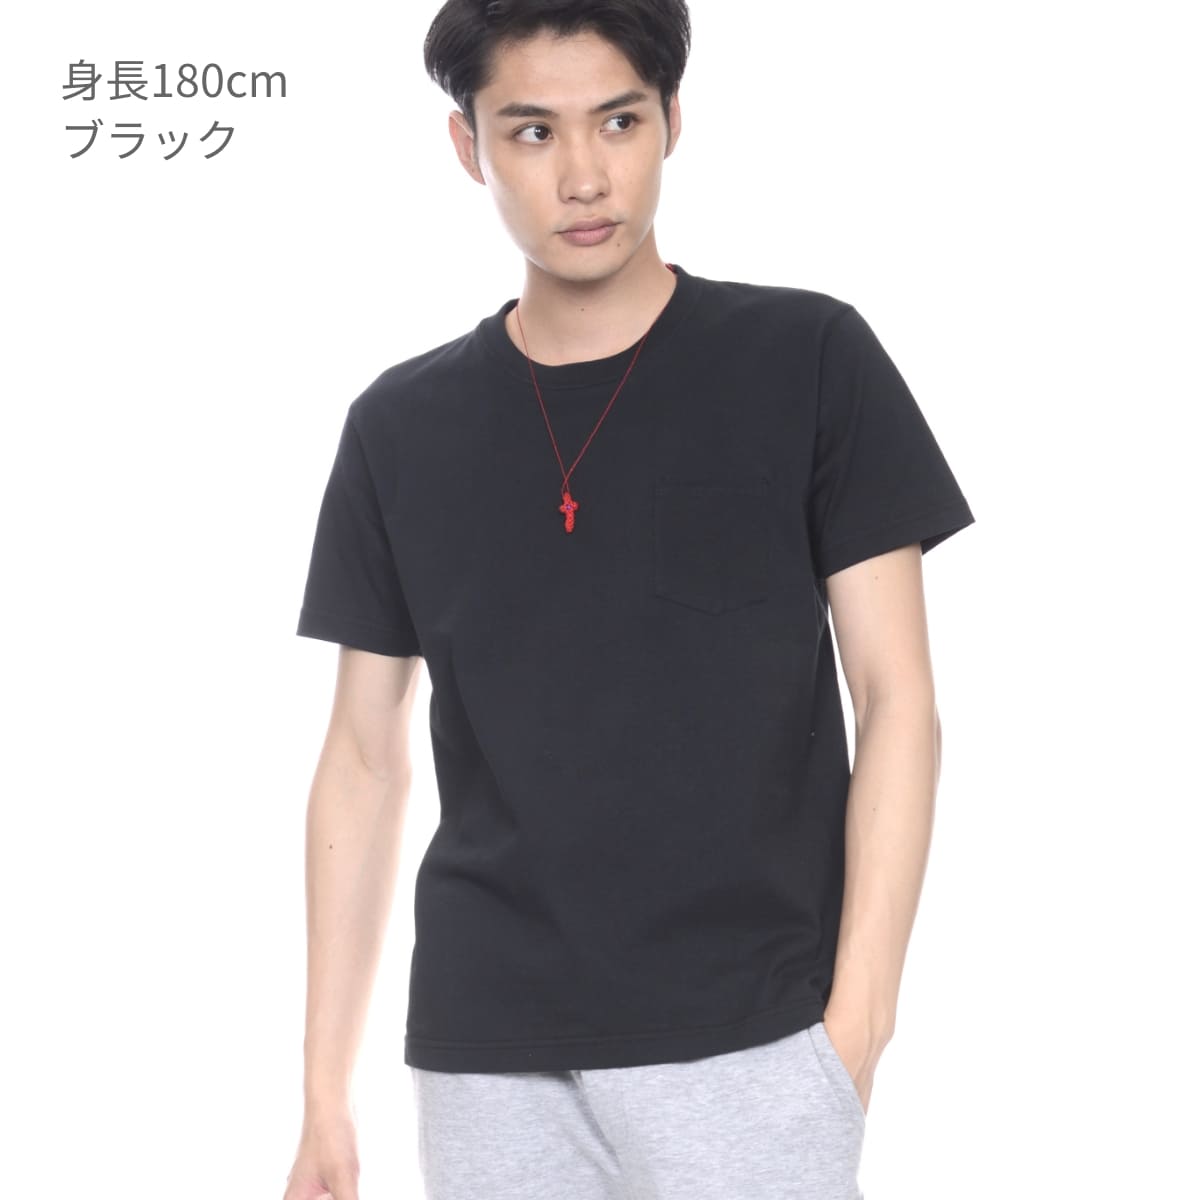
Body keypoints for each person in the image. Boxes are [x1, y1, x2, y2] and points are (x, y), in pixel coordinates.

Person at [283, 2, 975, 1197]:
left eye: (618, 121)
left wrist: (858, 1025)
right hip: (487, 1057)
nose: (585, 175)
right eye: (532, 132)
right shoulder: (400, 427)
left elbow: (895, 697)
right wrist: (322, 1096)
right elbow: (361, 756)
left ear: (671, 122)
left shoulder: (808, 357)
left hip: (753, 1040)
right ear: (469, 148)